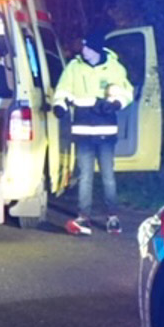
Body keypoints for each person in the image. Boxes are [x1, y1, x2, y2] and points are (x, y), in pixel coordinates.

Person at [50, 28, 133, 236]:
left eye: (87, 47)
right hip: (83, 131)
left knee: (108, 176)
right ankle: (83, 217)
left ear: (96, 49)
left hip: (105, 131)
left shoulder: (114, 68)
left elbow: (126, 91)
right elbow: (63, 90)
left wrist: (116, 103)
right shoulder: (74, 67)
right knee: (84, 176)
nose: (83, 50)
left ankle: (112, 217)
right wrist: (59, 105)